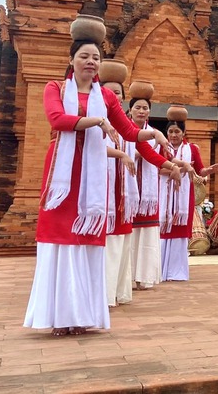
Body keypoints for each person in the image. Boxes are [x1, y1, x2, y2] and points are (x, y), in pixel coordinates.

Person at [23, 37, 182, 336]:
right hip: (64, 175)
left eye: (95, 57)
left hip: (92, 179)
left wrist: (157, 137)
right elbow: (57, 120)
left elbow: (130, 132)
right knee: (60, 241)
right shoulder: (54, 88)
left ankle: (82, 315)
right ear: (72, 60)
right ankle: (58, 316)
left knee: (86, 242)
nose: (91, 62)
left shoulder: (106, 98)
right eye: (84, 56)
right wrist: (96, 121)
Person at [160, 117, 218, 280]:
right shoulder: (161, 148)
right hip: (164, 195)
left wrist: (208, 171)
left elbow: (199, 170)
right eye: (170, 131)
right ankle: (160, 270)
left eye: (177, 131)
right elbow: (157, 168)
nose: (173, 135)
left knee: (180, 231)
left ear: (184, 133)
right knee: (163, 229)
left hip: (184, 196)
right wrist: (180, 169)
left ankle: (177, 272)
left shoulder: (192, 149)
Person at [99, 71, 138, 308]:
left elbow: (142, 144)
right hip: (102, 191)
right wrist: (122, 154)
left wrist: (156, 135)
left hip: (123, 194)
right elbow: (94, 147)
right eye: (109, 91)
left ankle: (118, 292)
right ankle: (104, 295)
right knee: (108, 245)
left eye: (118, 93)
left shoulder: (126, 126)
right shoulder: (95, 118)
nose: (114, 96)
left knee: (121, 244)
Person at [128, 95, 165, 290]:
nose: (142, 111)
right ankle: (128, 278)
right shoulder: (122, 130)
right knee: (128, 235)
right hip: (127, 189)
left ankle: (146, 277)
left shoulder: (155, 134)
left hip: (149, 194)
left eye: (145, 108)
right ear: (130, 110)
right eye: (138, 107)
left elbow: (161, 158)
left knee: (148, 236)